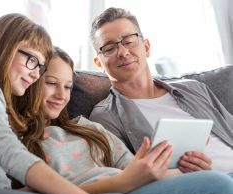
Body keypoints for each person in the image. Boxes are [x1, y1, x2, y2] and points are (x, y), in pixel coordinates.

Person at [0, 13, 128, 194]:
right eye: (32, 60)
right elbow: (13, 156)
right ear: (5, 49)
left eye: (40, 67)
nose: (36, 75)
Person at [26, 46, 233, 194]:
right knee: (218, 183)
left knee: (224, 178)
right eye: (52, 83)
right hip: (114, 193)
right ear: (31, 80)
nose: (62, 95)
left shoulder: (88, 128)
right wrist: (127, 181)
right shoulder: (15, 140)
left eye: (68, 86)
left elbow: (133, 169)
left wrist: (185, 167)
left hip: (134, 187)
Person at [89, 7, 233, 174]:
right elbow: (125, 176)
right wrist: (185, 174)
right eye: (109, 48)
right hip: (203, 184)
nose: (122, 52)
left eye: (128, 41)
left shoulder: (194, 88)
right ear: (99, 63)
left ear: (146, 47)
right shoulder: (105, 116)